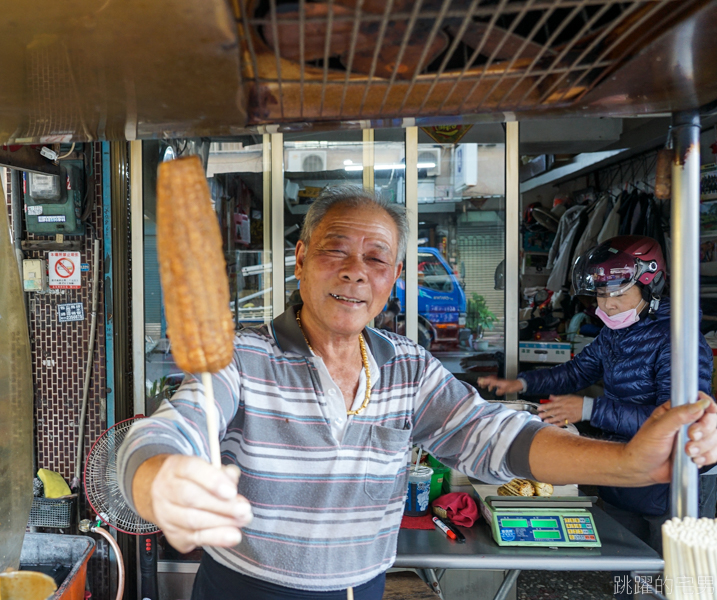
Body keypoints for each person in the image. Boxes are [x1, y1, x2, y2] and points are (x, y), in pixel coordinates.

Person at [118, 189, 717, 600]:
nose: (356, 272)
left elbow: (492, 436)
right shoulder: (242, 356)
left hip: (363, 588)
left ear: (394, 277)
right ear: (300, 260)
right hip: (246, 590)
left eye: (376, 258)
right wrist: (161, 479)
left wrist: (630, 462)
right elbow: (176, 427)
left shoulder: (406, 366)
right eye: (335, 251)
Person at [479, 235, 716, 554]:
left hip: (675, 482)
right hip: (623, 474)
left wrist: (590, 409)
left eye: (619, 293)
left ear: (650, 287)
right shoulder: (613, 335)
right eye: (602, 293)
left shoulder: (680, 341)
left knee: (670, 579)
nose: (608, 304)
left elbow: (676, 423)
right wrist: (521, 384)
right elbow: (576, 373)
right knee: (627, 572)